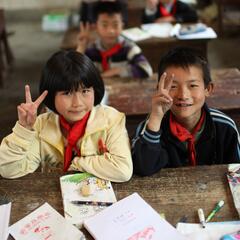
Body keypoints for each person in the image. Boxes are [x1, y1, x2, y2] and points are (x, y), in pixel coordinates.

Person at [0, 50, 133, 182]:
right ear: (52, 95)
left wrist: (77, 163)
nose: (77, 103)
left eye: (85, 91)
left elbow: (122, 170)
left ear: (95, 90)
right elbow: (8, 170)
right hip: (54, 195)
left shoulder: (111, 120)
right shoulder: (41, 125)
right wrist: (23, 130)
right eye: (67, 93)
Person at [132, 47, 240, 176]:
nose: (183, 95)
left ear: (208, 89)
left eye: (192, 85)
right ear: (160, 90)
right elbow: (142, 169)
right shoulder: (150, 128)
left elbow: (236, 172)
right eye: (173, 86)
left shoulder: (225, 126)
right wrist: (155, 119)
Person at [77, 1, 153, 79]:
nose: (111, 31)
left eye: (115, 25)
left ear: (122, 26)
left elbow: (147, 70)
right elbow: (75, 72)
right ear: (96, 27)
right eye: (104, 25)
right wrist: (81, 46)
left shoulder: (128, 47)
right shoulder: (91, 50)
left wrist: (118, 71)